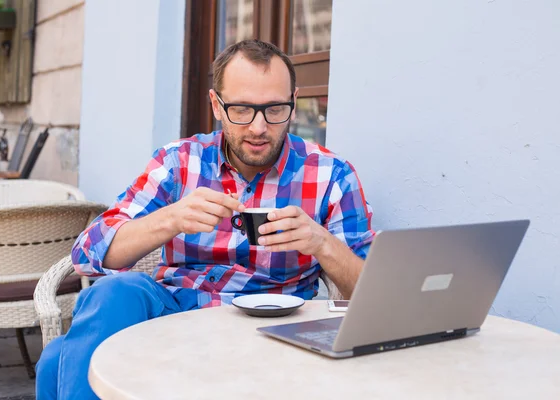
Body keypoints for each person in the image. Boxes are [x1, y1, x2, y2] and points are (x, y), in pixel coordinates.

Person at [36, 39, 375, 399]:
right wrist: (170, 219)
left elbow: (373, 294)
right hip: (173, 312)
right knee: (113, 292)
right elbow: (87, 254)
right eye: (242, 109)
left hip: (274, 325)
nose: (259, 127)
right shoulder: (179, 161)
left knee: (56, 360)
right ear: (216, 104)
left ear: (293, 103)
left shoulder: (331, 174)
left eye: (275, 109)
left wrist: (321, 243)